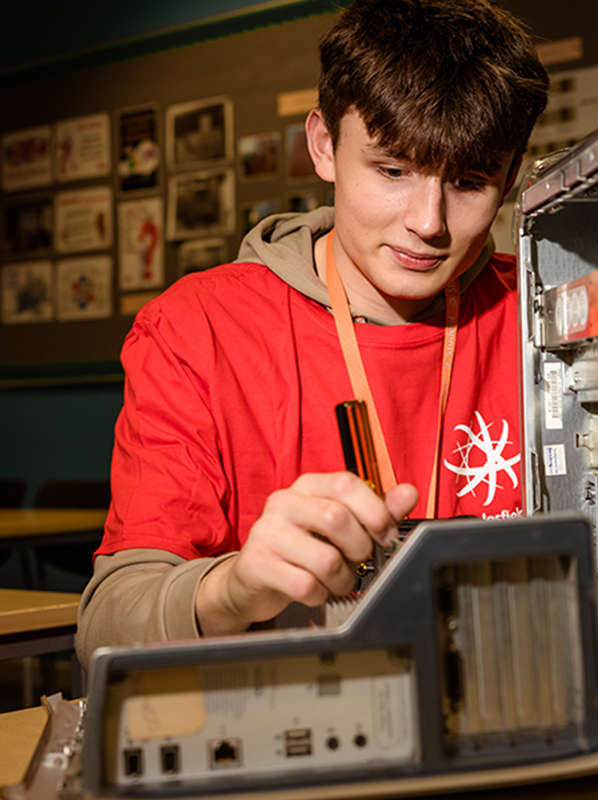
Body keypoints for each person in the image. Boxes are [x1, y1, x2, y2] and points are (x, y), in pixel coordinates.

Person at [76, 0, 548, 662]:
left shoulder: (552, 310)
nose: (428, 222)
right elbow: (104, 630)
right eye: (392, 171)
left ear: (515, 173)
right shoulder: (197, 330)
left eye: (470, 182)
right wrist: (233, 590)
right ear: (323, 145)